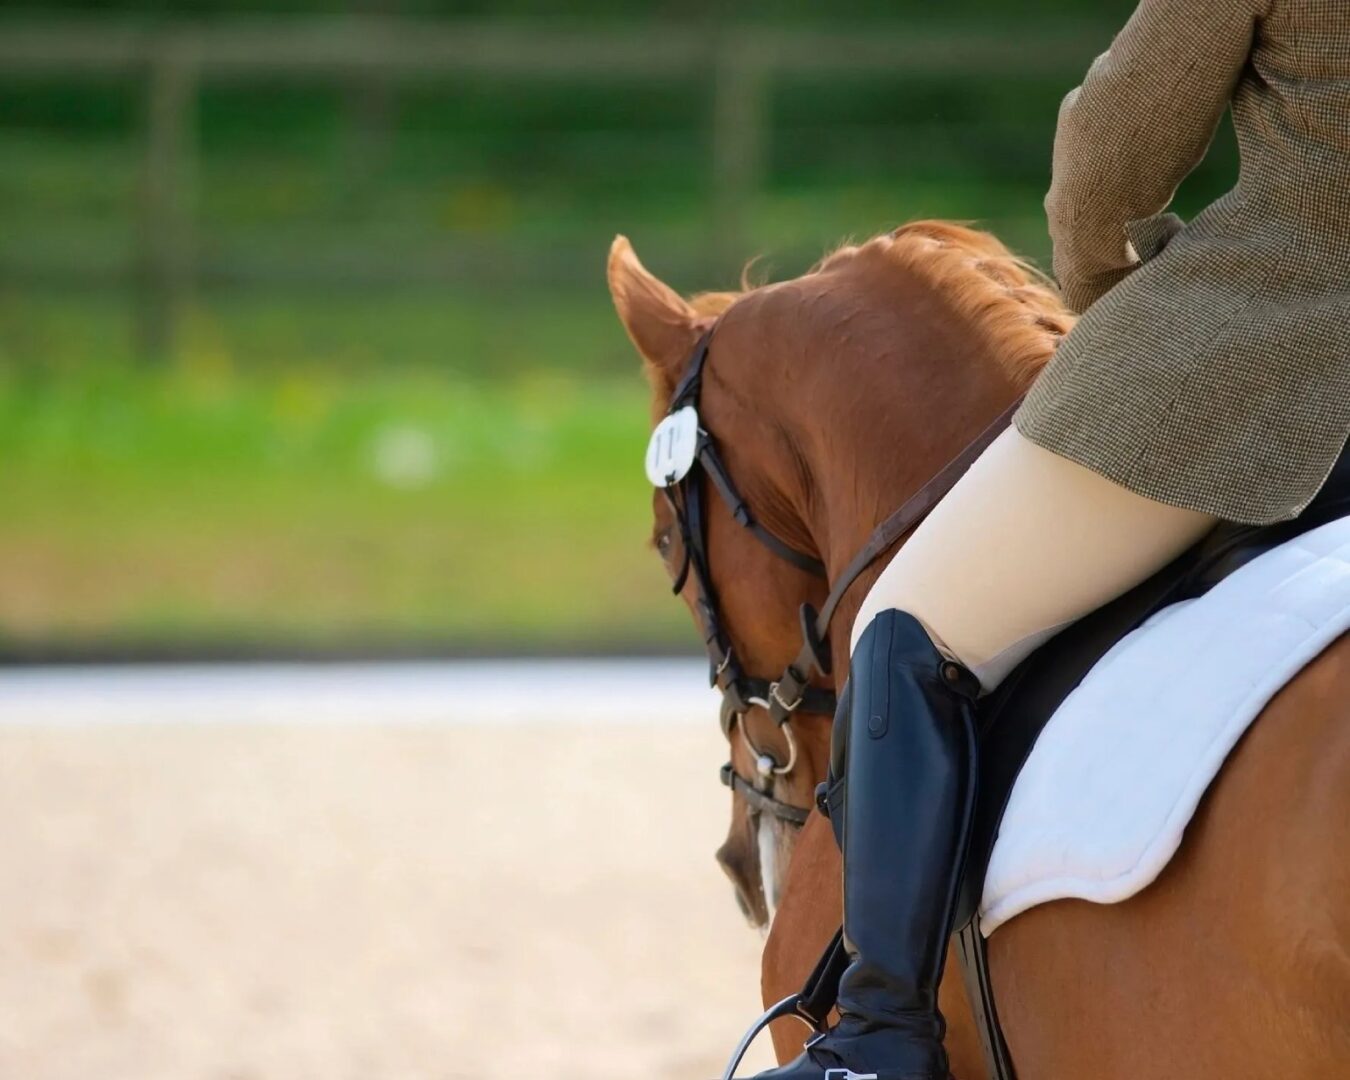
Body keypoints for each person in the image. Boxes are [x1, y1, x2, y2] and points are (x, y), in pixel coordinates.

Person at [757, 1, 1350, 1077]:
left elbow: (1112, 155)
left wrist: (1115, 298)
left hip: (1283, 350)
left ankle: (880, 1038)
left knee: (909, 624)